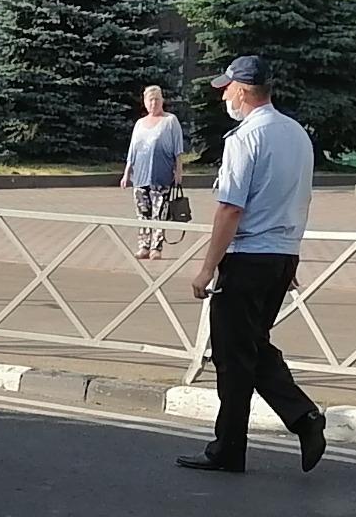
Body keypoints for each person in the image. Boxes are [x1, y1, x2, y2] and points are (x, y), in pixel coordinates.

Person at [176, 55, 324, 476]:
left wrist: (207, 267)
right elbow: (302, 197)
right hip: (281, 254)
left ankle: (241, 443)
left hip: (247, 256)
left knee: (232, 352)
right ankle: (284, 424)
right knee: (249, 346)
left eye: (226, 89)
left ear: (242, 91)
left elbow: (229, 209)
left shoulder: (245, 138)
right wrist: (289, 250)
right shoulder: (297, 134)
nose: (224, 95)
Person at [121, 84, 186, 261]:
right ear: (144, 102)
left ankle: (156, 248)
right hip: (140, 177)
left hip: (162, 175)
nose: (153, 103)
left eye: (156, 99)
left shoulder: (170, 121)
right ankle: (143, 246)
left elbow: (178, 150)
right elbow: (132, 150)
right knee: (143, 213)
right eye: (150, 99)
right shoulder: (140, 124)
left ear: (162, 101)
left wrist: (178, 171)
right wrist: (127, 173)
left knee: (160, 213)